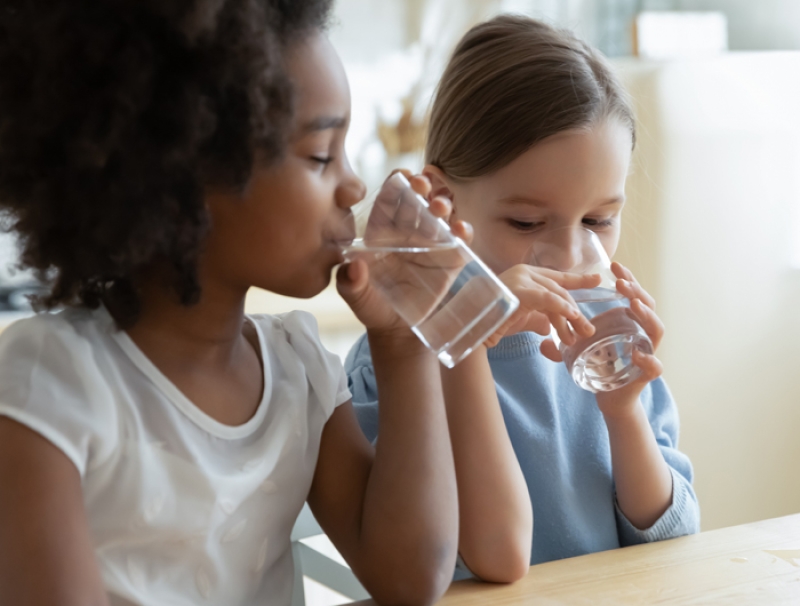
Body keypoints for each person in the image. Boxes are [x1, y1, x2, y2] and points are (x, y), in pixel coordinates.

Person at [0, 2, 464, 605]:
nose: (353, 185)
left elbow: (412, 579)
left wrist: (403, 341)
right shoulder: (54, 386)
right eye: (321, 155)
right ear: (182, 176)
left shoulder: (299, 369)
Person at [346, 14, 700, 571]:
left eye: (598, 219)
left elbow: (673, 545)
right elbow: (486, 559)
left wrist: (624, 412)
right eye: (528, 224)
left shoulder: (606, 352)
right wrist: (465, 327)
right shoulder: (397, 359)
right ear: (445, 201)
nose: (569, 256)